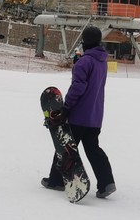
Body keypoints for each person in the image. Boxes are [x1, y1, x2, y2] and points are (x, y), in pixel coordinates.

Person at [42, 25, 116, 198]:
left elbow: (78, 87)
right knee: (93, 149)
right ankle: (106, 182)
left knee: (64, 147)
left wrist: (66, 109)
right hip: (95, 115)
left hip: (78, 115)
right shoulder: (101, 62)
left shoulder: (84, 62)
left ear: (84, 42)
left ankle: (56, 180)